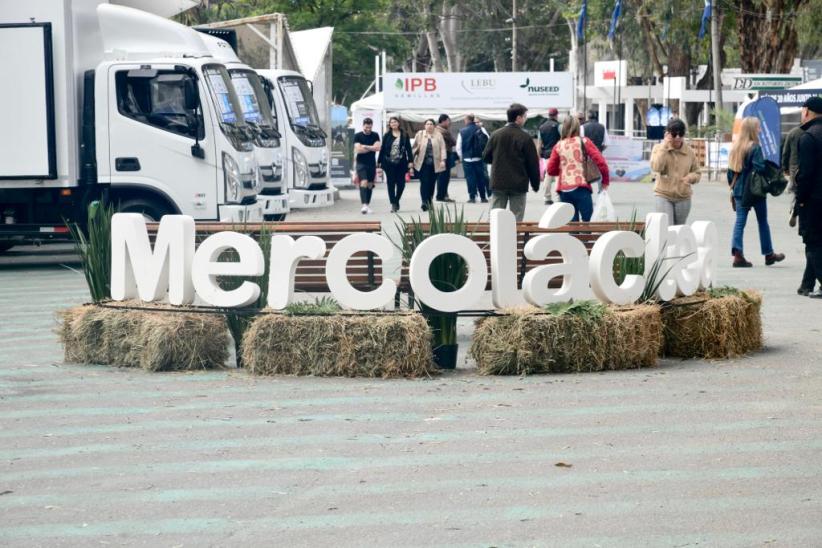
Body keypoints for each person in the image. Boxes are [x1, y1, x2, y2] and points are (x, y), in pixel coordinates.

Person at [726, 116, 785, 267]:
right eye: (758, 127)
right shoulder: (755, 147)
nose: (760, 130)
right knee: (762, 222)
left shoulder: (735, 147)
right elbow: (759, 168)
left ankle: (737, 255)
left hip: (739, 190)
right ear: (752, 129)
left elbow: (730, 173)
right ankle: (768, 254)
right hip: (755, 190)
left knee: (740, 222)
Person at [482, 103, 541, 221]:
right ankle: (514, 238)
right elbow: (532, 164)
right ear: (518, 118)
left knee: (495, 216)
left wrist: (498, 159)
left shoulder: (496, 134)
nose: (525, 119)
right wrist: (535, 184)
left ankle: (493, 238)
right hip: (518, 183)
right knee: (517, 217)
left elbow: (485, 157)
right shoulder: (525, 137)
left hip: (498, 181)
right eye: (525, 116)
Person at [547, 115, 610, 222]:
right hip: (582, 188)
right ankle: (585, 238)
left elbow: (550, 170)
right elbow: (601, 163)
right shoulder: (584, 142)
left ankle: (575, 237)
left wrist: (564, 169)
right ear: (578, 127)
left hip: (564, 190)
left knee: (572, 224)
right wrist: (605, 181)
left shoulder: (559, 145)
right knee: (587, 221)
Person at [794, 96, 822, 297]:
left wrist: (800, 199)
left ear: (807, 111)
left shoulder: (808, 137)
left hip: (814, 199)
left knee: (812, 242)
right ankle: (807, 284)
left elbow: (805, 174)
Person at [650, 118, 701, 225]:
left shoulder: (689, 152)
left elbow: (697, 173)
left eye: (681, 134)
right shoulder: (658, 148)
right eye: (674, 134)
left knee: (679, 231)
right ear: (667, 134)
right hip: (663, 195)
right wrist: (664, 147)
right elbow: (656, 167)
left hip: (683, 197)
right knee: (667, 228)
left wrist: (690, 178)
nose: (677, 137)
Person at [377, 116, 414, 212]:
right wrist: (379, 163)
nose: (393, 123)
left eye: (395, 122)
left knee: (401, 184)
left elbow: (408, 150)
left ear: (398, 123)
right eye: (391, 122)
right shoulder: (387, 135)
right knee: (391, 183)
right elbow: (383, 149)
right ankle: (393, 204)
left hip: (401, 163)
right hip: (388, 163)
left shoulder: (404, 135)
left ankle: (396, 200)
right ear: (389, 124)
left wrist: (410, 161)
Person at [412, 118, 447, 211]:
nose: (429, 125)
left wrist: (443, 160)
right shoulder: (420, 134)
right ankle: (424, 202)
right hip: (422, 163)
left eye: (431, 124)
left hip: (435, 164)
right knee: (424, 182)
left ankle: (429, 201)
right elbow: (414, 147)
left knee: (432, 183)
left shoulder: (438, 135)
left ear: (434, 126)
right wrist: (411, 160)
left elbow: (443, 148)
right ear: (424, 126)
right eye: (427, 124)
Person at [457, 114, 490, 203]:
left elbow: (458, 146)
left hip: (467, 158)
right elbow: (487, 141)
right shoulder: (480, 129)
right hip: (479, 157)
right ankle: (483, 197)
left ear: (467, 120)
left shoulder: (462, 131)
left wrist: (462, 156)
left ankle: (472, 197)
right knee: (481, 178)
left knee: (470, 178)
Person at [353, 118, 381, 214]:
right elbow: (358, 150)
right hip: (361, 163)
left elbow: (378, 148)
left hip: (371, 163)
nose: (368, 129)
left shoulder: (375, 135)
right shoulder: (358, 136)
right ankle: (364, 205)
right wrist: (371, 148)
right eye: (366, 127)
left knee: (370, 184)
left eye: (370, 127)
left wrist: (365, 146)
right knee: (364, 182)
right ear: (363, 126)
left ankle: (367, 204)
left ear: (372, 126)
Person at [782, 123, 804, 227]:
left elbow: (786, 152)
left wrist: (785, 167)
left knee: (797, 190)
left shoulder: (792, 132)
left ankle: (795, 208)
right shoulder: (811, 132)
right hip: (807, 165)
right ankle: (797, 208)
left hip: (794, 167)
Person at [538, 108, 561, 205]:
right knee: (558, 175)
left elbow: (539, 144)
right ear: (556, 115)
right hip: (557, 153)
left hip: (546, 155)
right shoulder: (559, 126)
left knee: (548, 174)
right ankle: (559, 197)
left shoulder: (542, 127)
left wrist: (539, 156)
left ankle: (547, 197)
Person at [435, 114, 457, 202]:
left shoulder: (436, 130)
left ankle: (443, 195)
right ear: (443, 121)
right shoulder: (443, 131)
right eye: (448, 121)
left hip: (439, 155)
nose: (449, 123)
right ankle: (442, 196)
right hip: (445, 155)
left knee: (441, 176)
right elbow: (453, 142)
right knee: (444, 177)